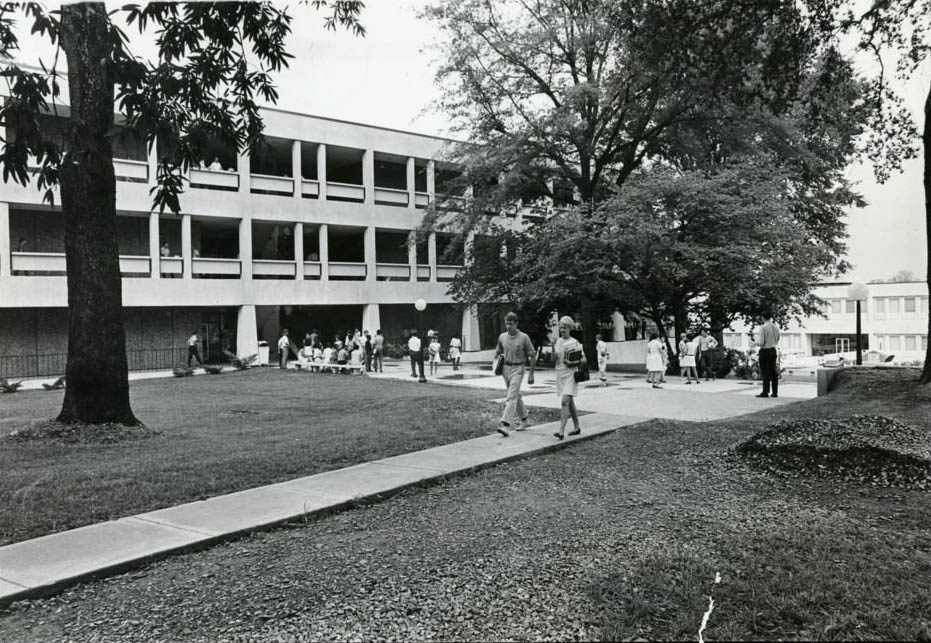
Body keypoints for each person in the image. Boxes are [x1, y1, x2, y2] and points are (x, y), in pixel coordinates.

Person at [494, 311, 536, 436]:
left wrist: (531, 374)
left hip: (518, 368)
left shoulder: (524, 337)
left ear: (516, 323)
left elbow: (532, 355)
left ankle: (506, 425)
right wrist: (495, 366)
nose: (508, 326)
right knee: (515, 395)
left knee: (511, 396)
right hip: (505, 368)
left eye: (511, 324)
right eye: (506, 324)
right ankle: (525, 420)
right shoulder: (502, 337)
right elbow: (498, 352)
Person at [553, 316, 584, 440]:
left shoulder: (575, 342)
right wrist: (552, 347)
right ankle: (577, 427)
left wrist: (571, 363)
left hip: (571, 373)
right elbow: (554, 360)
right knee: (570, 402)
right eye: (561, 327)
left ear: (570, 328)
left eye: (565, 327)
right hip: (560, 373)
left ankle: (561, 431)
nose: (562, 329)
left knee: (565, 401)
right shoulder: (558, 342)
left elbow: (583, 360)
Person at [755, 313, 781, 398]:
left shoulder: (763, 328)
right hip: (773, 350)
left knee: (765, 371)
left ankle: (765, 392)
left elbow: (761, 342)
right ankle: (775, 392)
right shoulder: (776, 327)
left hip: (765, 350)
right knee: (773, 371)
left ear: (763, 317)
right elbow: (777, 339)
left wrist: (755, 342)